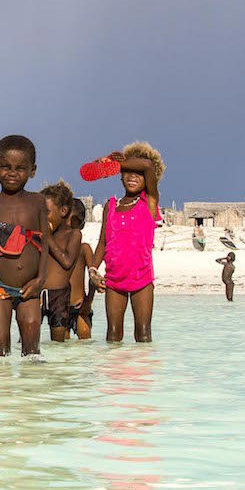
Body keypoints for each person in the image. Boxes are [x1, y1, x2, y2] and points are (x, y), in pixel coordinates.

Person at [0, 134, 49, 357]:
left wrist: (40, 280)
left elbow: (45, 242)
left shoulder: (37, 202)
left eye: (20, 168)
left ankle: (28, 391)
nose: (12, 173)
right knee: (0, 352)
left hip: (31, 287)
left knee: (32, 352)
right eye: (5, 166)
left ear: (32, 170)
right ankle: (3, 390)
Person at [89, 142, 163, 344]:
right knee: (113, 335)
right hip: (114, 281)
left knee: (143, 334)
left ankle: (143, 374)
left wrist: (118, 162)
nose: (132, 176)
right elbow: (103, 243)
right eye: (127, 172)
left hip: (142, 279)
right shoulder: (111, 206)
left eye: (137, 173)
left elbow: (147, 165)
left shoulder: (149, 202)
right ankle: (114, 376)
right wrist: (93, 269)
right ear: (120, 175)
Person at [39, 181, 82, 342]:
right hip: (37, 292)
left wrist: (48, 238)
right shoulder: (40, 234)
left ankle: (57, 367)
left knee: (58, 343)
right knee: (28, 339)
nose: (42, 217)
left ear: (63, 211)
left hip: (59, 296)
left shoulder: (73, 235)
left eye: (47, 212)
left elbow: (67, 262)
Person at [67, 201, 96, 340]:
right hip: (60, 307)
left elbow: (93, 276)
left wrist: (88, 302)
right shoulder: (54, 248)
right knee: (60, 349)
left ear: (82, 225)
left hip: (81, 307)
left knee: (85, 346)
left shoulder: (84, 249)